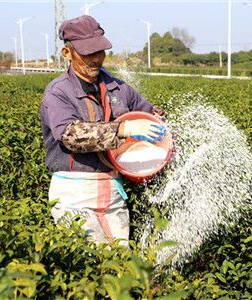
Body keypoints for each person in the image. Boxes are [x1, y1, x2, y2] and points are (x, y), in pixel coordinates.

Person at [39, 15, 166, 245]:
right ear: (67, 53)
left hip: (113, 191)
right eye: (88, 53)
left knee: (119, 266)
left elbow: (149, 114)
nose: (96, 59)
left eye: (100, 52)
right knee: (91, 264)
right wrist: (122, 129)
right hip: (74, 194)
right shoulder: (58, 92)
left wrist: (159, 125)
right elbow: (70, 135)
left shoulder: (118, 88)